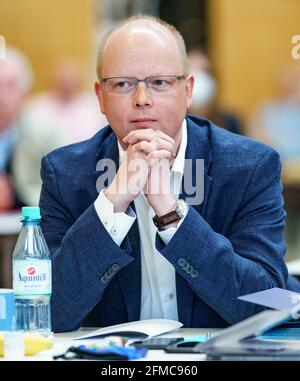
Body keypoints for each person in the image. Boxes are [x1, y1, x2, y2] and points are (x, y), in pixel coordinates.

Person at [40, 15, 292, 333]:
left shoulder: (249, 167)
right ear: (100, 96)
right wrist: (113, 202)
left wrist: (171, 214)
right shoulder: (65, 174)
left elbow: (267, 301)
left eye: (159, 83)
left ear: (188, 91)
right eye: (122, 84)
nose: (142, 99)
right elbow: (46, 311)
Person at [187, 48, 243, 135]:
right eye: (193, 72)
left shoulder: (230, 122)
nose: (199, 80)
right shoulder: (172, 123)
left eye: (204, 72)